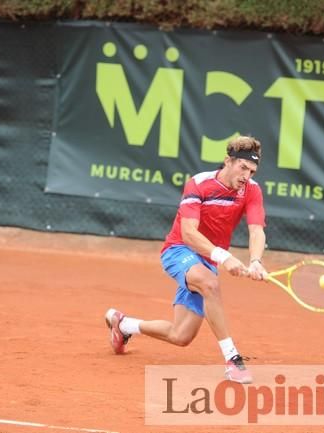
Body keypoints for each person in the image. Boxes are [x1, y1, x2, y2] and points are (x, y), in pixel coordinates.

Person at [105, 135, 267, 384]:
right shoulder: (198, 184)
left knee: (181, 336)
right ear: (228, 161)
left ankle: (124, 325)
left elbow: (256, 230)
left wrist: (256, 260)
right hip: (179, 250)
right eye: (243, 167)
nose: (247, 175)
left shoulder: (252, 191)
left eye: (252, 171)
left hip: (206, 261)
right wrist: (224, 257)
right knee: (210, 284)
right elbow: (189, 233)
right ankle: (233, 361)